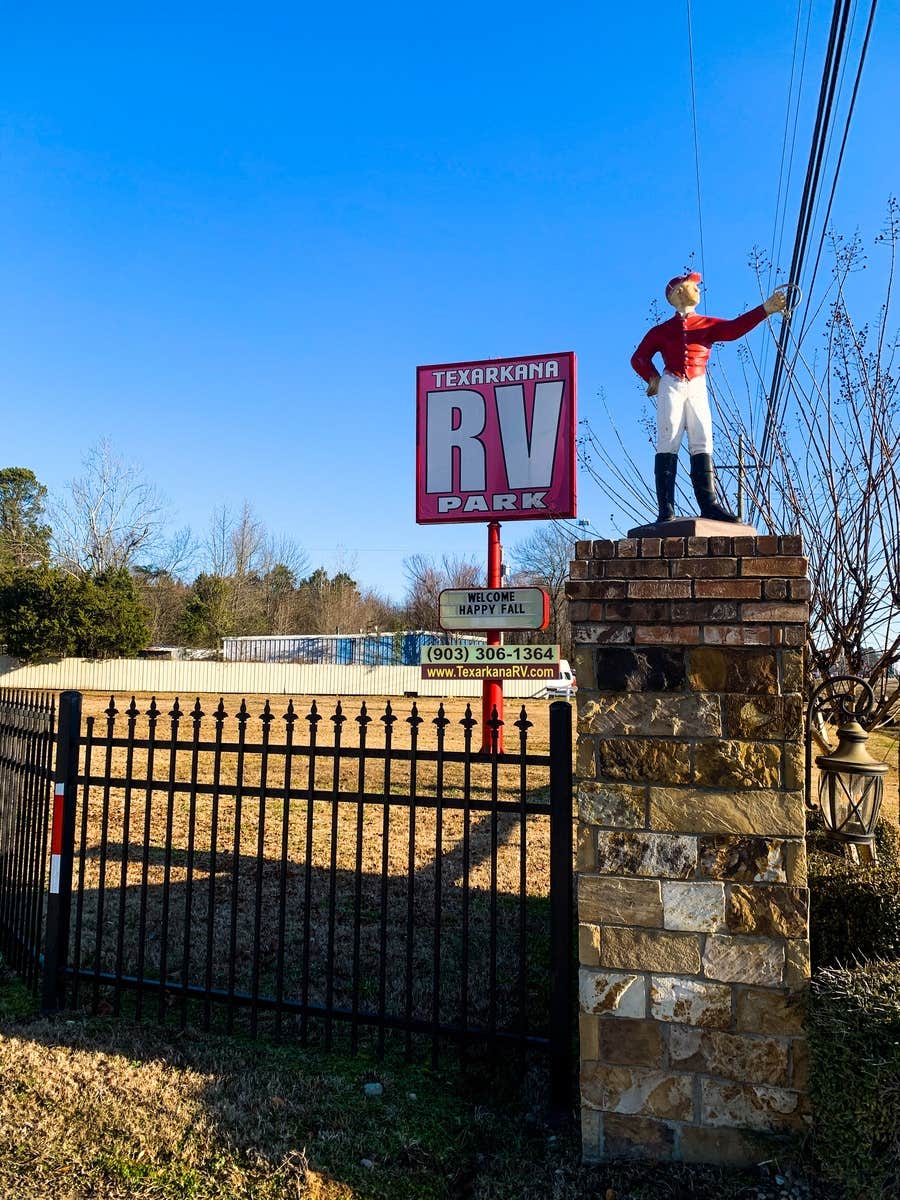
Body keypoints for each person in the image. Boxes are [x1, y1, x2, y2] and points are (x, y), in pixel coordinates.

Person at [630, 272, 787, 523]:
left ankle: (709, 504)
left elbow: (734, 329)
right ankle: (666, 508)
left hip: (697, 384)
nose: (699, 290)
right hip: (672, 384)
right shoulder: (661, 331)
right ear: (679, 292)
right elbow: (639, 357)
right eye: (694, 286)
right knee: (668, 439)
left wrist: (765, 310)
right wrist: (652, 377)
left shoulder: (706, 324)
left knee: (702, 438)